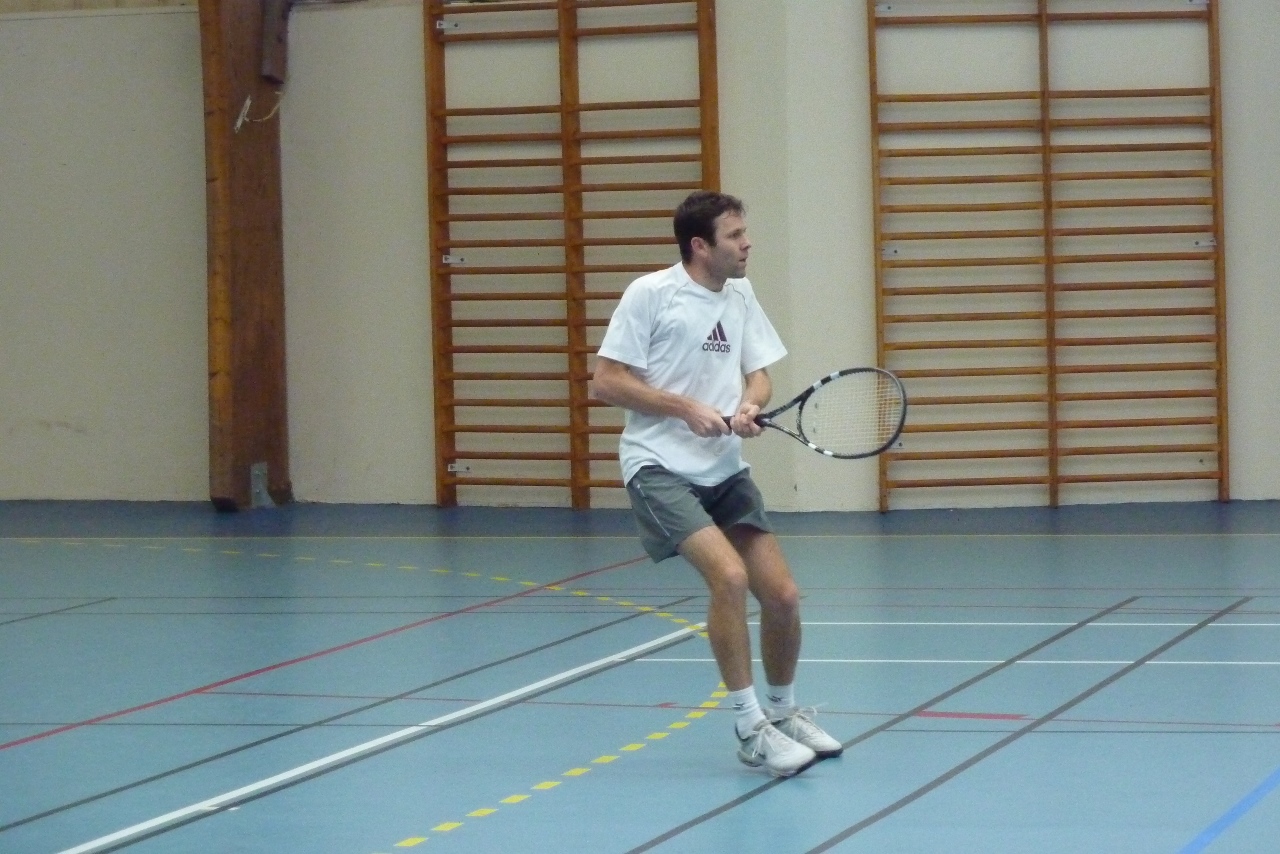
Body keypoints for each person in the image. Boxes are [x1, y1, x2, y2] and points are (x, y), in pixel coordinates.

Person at [592, 190, 842, 777]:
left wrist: (750, 404)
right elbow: (605, 382)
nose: (748, 243)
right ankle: (750, 728)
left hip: (725, 469)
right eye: (735, 236)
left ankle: (782, 714)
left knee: (782, 595)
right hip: (659, 467)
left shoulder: (740, 295)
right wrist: (685, 409)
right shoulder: (650, 294)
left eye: (745, 233)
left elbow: (759, 375)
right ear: (700, 246)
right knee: (729, 578)